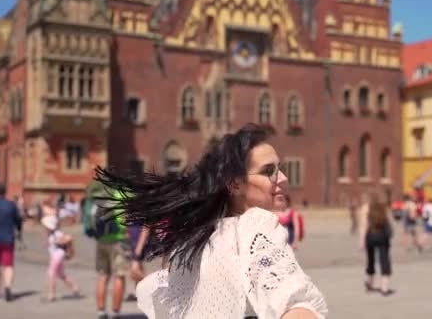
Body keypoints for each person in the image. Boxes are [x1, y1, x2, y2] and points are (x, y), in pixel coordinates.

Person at [94, 124, 327, 318]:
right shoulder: (257, 225)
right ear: (234, 184)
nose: (283, 178)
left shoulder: (197, 235)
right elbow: (289, 297)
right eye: (269, 171)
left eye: (280, 168)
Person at [92, 189, 132, 319]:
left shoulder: (101, 195)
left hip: (102, 240)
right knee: (119, 276)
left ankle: (101, 312)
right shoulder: (122, 195)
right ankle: (115, 313)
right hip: (119, 242)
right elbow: (128, 221)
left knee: (103, 276)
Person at [359, 193, 393, 296]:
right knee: (384, 259)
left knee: (371, 260)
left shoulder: (366, 208)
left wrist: (362, 240)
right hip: (383, 236)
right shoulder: (384, 208)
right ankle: (384, 287)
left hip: (371, 236)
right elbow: (389, 221)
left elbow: (364, 225)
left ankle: (370, 283)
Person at [41, 215, 80, 302]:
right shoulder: (50, 234)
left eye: (46, 226)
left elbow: (69, 238)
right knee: (61, 274)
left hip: (58, 254)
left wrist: (60, 241)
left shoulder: (57, 233)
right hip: (55, 255)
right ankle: (74, 288)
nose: (44, 228)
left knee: (51, 273)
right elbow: (48, 244)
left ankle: (51, 294)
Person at [125, 226, 150, 302]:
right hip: (134, 241)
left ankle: (149, 288)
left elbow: (146, 227)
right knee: (138, 267)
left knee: (135, 270)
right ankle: (139, 292)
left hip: (139, 243)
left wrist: (139, 248)